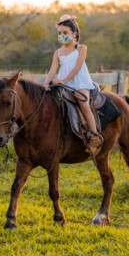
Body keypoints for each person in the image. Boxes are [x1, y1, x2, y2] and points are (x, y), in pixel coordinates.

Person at [44, 14, 103, 157]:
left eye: (65, 33)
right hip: (64, 83)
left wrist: (64, 80)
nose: (62, 35)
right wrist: (46, 82)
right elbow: (53, 68)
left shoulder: (81, 48)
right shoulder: (58, 53)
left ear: (74, 34)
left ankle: (94, 136)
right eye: (60, 33)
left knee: (83, 102)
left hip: (80, 82)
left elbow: (77, 67)